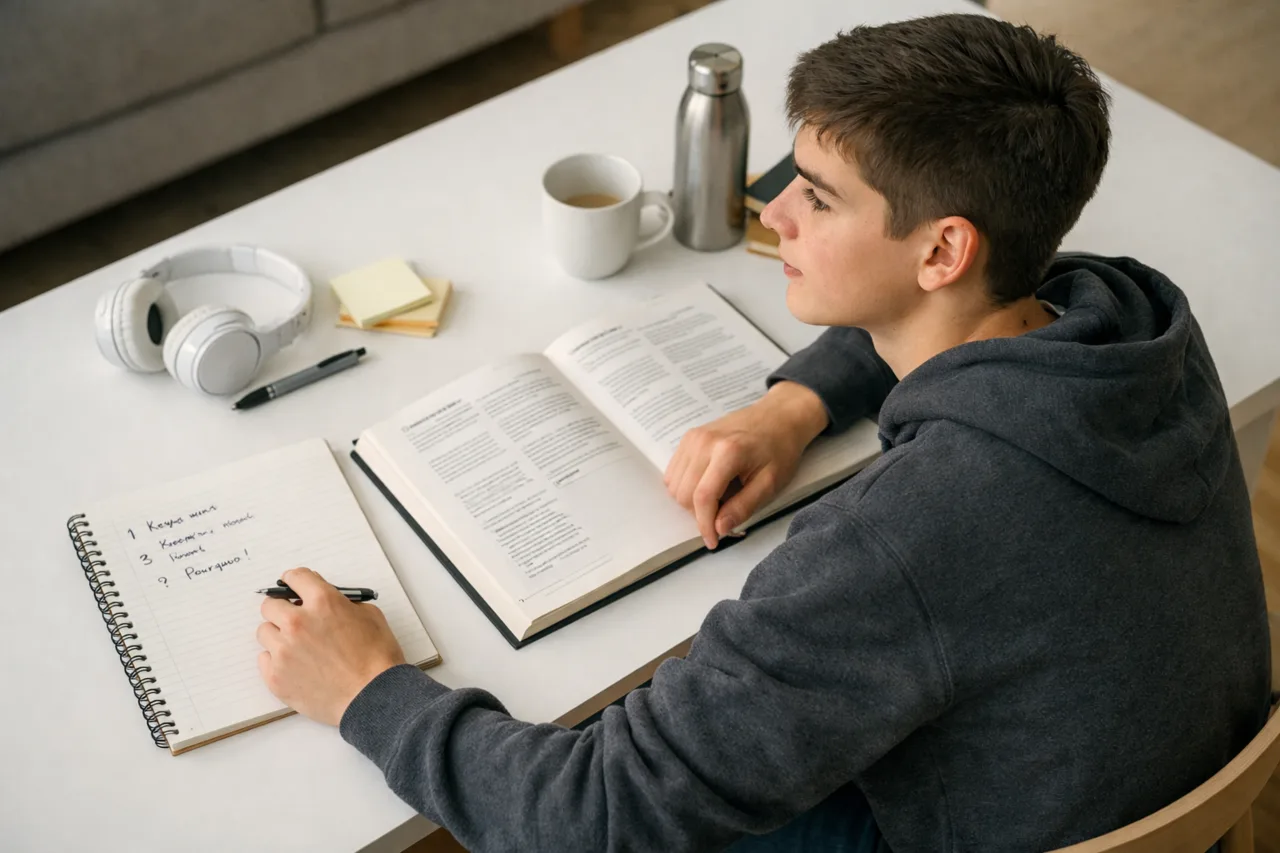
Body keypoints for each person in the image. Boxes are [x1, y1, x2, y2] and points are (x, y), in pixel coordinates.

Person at [254, 13, 1271, 852]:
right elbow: (980, 306)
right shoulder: (1137, 322)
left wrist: (367, 693)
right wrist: (799, 402)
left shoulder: (899, 539)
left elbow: (592, 815)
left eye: (817, 196)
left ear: (940, 248)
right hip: (1134, 784)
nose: (772, 210)